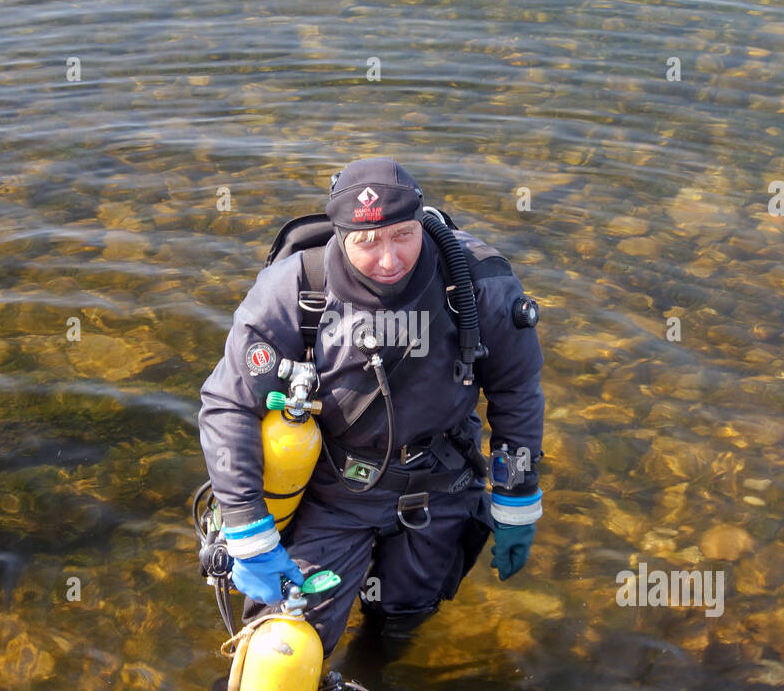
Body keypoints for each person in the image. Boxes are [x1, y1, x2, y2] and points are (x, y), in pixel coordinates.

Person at [198, 158, 544, 663]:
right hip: (335, 490)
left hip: (441, 481)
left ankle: (381, 685)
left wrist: (517, 499)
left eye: (403, 235)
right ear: (341, 235)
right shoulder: (298, 288)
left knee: (406, 616)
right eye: (368, 242)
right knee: (286, 644)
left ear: (421, 218)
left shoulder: (477, 283)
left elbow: (515, 391)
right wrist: (248, 526)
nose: (389, 259)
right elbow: (228, 404)